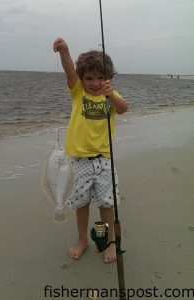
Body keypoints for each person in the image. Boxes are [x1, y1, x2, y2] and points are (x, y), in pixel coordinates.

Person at [53, 37, 128, 263]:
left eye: (100, 78)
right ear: (82, 80)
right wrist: (64, 50)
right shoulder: (79, 95)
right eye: (89, 78)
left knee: (106, 204)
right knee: (81, 203)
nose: (94, 83)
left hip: (104, 160)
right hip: (79, 161)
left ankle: (107, 242)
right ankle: (82, 239)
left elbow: (124, 109)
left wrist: (111, 94)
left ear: (109, 78)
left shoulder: (111, 98)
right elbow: (70, 72)